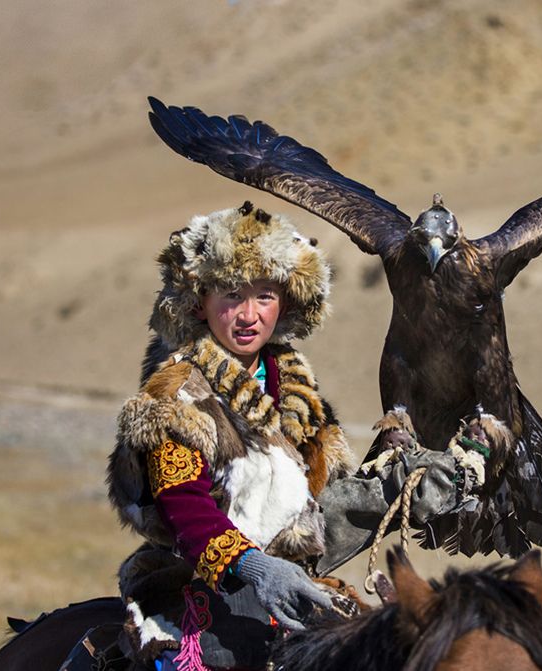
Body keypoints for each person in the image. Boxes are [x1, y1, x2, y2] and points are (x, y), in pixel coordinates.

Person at [93, 201, 461, 670]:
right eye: (230, 294)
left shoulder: (296, 393)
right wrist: (257, 568)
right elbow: (184, 506)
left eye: (264, 295)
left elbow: (323, 507)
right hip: (198, 590)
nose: (248, 314)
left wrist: (417, 483)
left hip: (296, 588)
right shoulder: (175, 395)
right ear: (198, 301)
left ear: (286, 302)